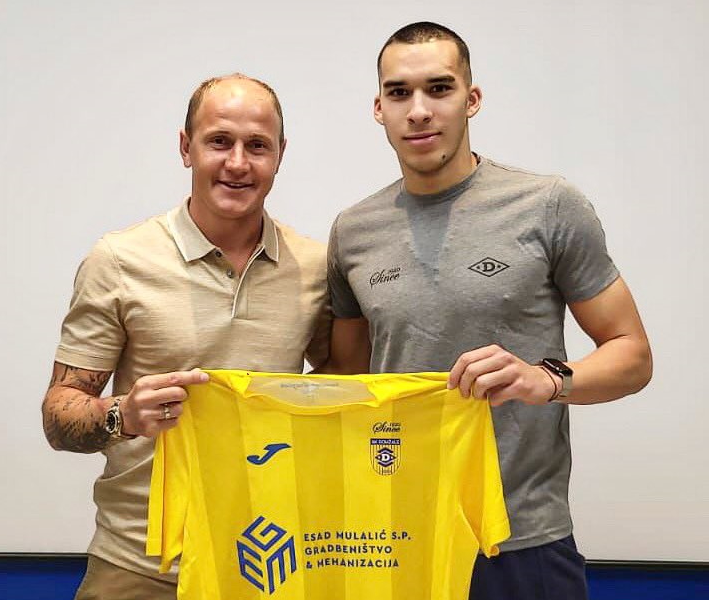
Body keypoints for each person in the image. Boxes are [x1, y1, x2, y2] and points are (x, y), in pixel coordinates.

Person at [324, 21, 652, 600]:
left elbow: (633, 356)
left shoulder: (548, 205)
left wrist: (543, 380)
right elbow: (346, 381)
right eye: (399, 93)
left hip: (522, 544)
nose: (419, 111)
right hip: (398, 539)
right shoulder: (352, 232)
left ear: (471, 98)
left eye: (439, 88)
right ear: (379, 108)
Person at [42, 73, 331, 600]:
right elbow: (59, 415)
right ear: (185, 147)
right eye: (219, 141)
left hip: (271, 564)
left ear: (280, 154)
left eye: (257, 146)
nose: (238, 163)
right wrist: (123, 414)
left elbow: (348, 386)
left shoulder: (315, 267)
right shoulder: (119, 259)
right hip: (138, 565)